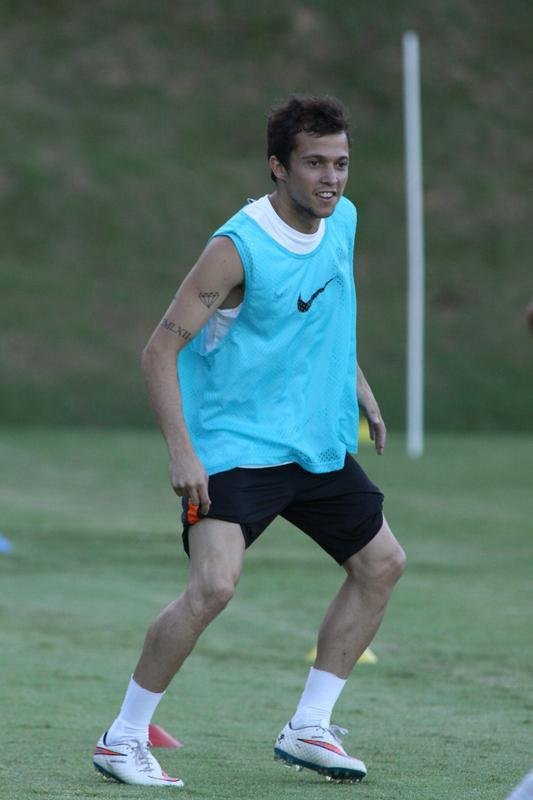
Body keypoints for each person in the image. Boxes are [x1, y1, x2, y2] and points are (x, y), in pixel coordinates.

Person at [93, 94, 406, 788]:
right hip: (234, 445)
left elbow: (323, 306)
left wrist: (354, 381)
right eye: (315, 163)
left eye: (341, 163)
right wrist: (183, 451)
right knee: (212, 587)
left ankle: (309, 726)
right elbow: (157, 351)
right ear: (277, 166)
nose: (331, 178)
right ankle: (121, 738)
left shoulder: (342, 220)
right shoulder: (235, 249)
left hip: (313, 444)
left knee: (381, 564)